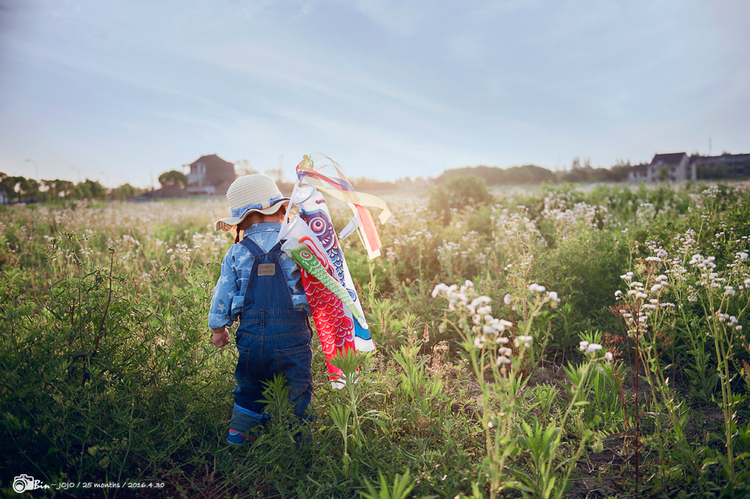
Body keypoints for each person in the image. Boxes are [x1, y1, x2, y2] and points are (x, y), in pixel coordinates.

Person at [209, 174, 312, 445]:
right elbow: (316, 287)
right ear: (281, 210)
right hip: (293, 337)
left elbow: (223, 294)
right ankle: (298, 439)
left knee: (249, 386)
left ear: (240, 223)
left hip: (251, 337)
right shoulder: (297, 245)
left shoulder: (237, 252)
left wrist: (218, 328)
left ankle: (239, 435)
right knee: (297, 389)